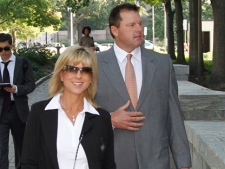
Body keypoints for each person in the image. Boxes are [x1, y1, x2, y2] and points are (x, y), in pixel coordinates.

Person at [95, 3, 191, 169]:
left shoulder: (163, 63)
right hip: (112, 159)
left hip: (155, 159)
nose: (139, 29)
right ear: (114, 30)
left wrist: (184, 163)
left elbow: (174, 116)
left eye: (140, 24)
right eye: (131, 25)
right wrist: (108, 120)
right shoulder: (94, 64)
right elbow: (78, 112)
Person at [21, 46, 116, 169]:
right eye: (72, 69)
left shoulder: (101, 118)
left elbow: (108, 164)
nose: (78, 75)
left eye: (85, 70)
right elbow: (28, 162)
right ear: (61, 74)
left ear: (91, 77)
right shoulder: (39, 112)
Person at [0, 33, 35, 169]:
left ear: (12, 46)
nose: (3, 52)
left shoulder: (23, 63)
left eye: (6, 48)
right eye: (0, 49)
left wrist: (16, 89)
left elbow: (31, 84)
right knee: (1, 148)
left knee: (20, 147)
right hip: (1, 112)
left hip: (18, 111)